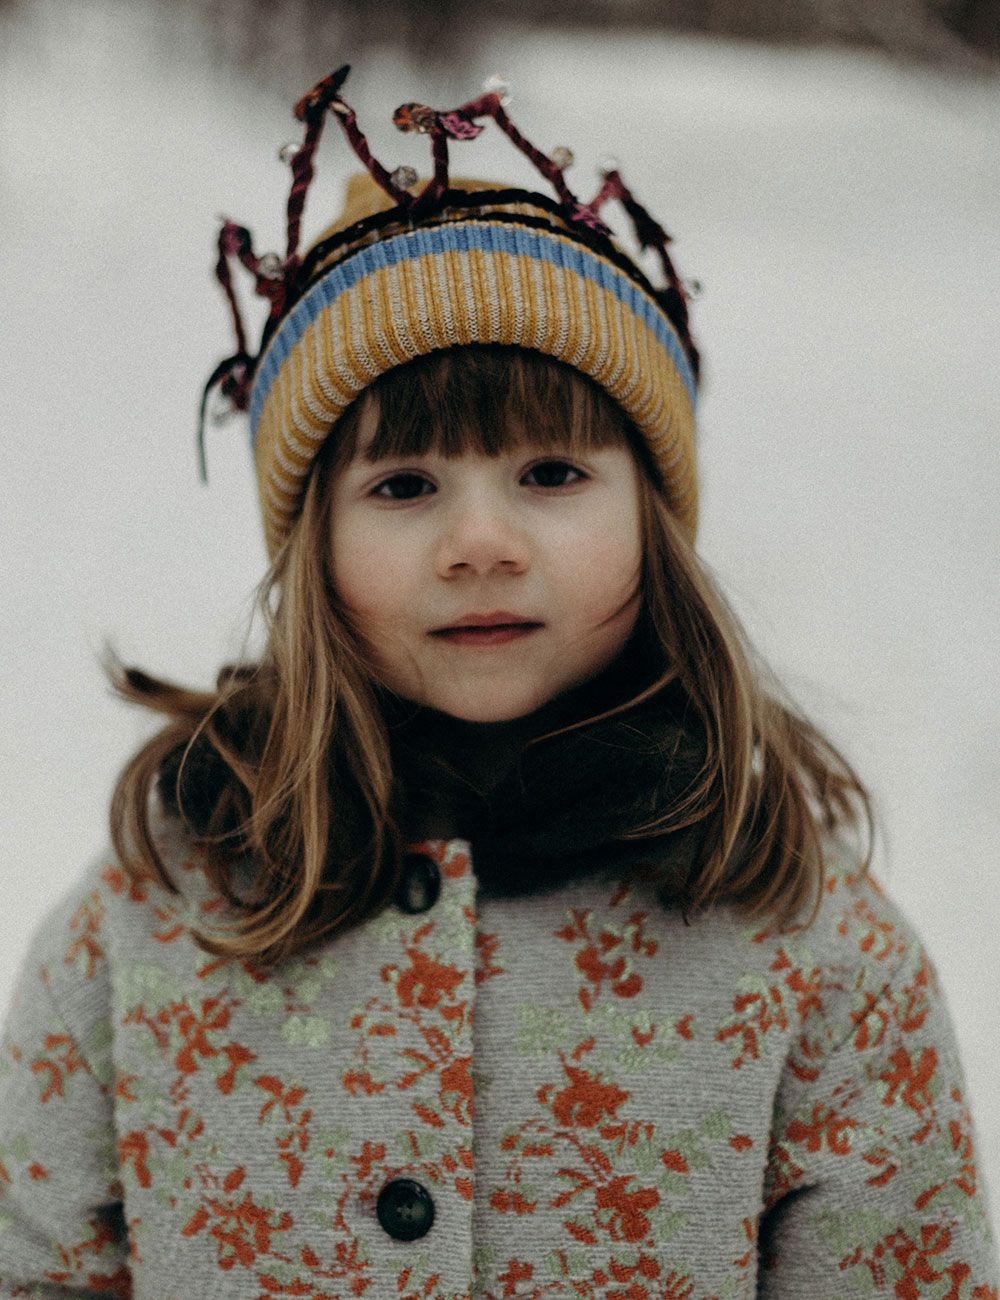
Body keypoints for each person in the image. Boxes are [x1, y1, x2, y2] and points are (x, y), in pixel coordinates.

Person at [0, 66, 996, 1300]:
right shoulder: (150, 922)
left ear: (651, 517)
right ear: (310, 546)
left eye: (550, 473)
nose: (480, 542)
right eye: (403, 485)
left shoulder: (808, 943)